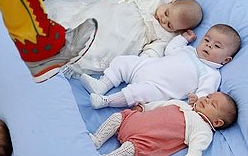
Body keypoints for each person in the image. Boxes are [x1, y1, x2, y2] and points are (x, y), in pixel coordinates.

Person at [44, 0, 203, 75]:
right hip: (115, 12)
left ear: (177, 30)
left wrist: (145, 59)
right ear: (172, 2)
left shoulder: (165, 35)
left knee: (101, 47)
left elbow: (154, 49)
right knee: (90, 16)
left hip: (125, 37)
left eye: (169, 25)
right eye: (166, 13)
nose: (162, 19)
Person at [81, 24, 241, 109]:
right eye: (207, 40)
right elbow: (170, 49)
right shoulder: (189, 50)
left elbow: (206, 92)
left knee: (136, 93)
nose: (209, 45)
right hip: (146, 66)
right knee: (123, 62)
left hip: (158, 88)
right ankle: (102, 85)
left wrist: (197, 98)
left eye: (217, 46)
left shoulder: (211, 73)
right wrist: (183, 39)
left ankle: (106, 101)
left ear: (226, 60)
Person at [91, 92, 238, 156]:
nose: (206, 100)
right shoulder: (182, 104)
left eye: (212, 104)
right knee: (118, 117)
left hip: (145, 140)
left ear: (217, 122)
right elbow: (161, 104)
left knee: (130, 148)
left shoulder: (202, 129)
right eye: (208, 96)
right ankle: (96, 139)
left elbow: (197, 149)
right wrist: (144, 108)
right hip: (135, 121)